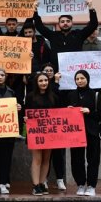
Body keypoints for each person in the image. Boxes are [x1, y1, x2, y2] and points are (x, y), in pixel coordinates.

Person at [67, 70, 101, 196]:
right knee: (76, 159)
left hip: (92, 131)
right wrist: (68, 110)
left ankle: (91, 186)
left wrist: (89, 111)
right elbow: (63, 114)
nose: (79, 81)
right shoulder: (71, 95)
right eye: (77, 79)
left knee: (93, 159)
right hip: (76, 132)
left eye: (82, 78)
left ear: (87, 79)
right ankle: (80, 184)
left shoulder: (95, 95)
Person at [33, 0, 98, 71]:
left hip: (74, 70)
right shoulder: (53, 35)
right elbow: (39, 26)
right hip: (57, 71)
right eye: (62, 21)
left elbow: (93, 24)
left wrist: (91, 8)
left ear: (72, 23)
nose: (65, 23)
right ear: (59, 24)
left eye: (68, 21)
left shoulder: (79, 35)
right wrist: (35, 10)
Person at [24, 73, 61, 195]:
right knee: (37, 159)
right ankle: (35, 185)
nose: (44, 83)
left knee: (46, 160)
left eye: (45, 80)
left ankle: (41, 183)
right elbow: (26, 112)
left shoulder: (54, 97)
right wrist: (25, 118)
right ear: (36, 83)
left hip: (50, 133)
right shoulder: (30, 97)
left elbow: (59, 114)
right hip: (35, 133)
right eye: (41, 81)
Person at [41, 63, 67, 191]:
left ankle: (60, 179)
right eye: (47, 70)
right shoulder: (39, 88)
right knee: (46, 155)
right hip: (44, 127)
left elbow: (59, 99)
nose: (49, 72)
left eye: (51, 70)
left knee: (58, 155)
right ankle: (44, 179)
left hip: (57, 125)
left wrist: (56, 82)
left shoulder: (58, 86)